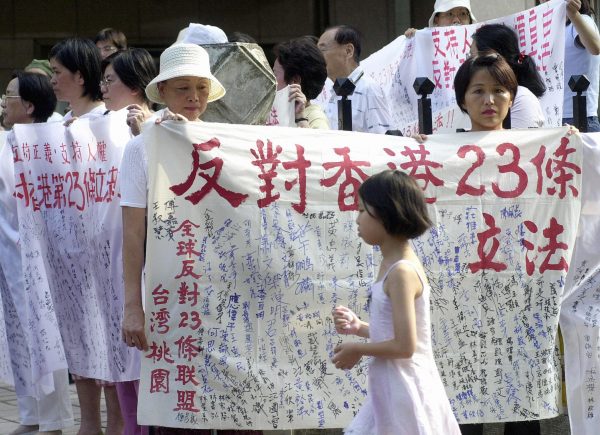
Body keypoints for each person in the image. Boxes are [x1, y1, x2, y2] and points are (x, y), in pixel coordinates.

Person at [331, 169, 459, 435]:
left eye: (362, 210)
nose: (357, 219)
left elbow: (405, 346)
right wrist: (360, 327)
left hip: (406, 389)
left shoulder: (401, 271)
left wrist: (357, 348)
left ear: (386, 213)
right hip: (392, 386)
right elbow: (395, 332)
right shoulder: (391, 266)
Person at [49, 38, 125, 435]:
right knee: (78, 337)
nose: (53, 80)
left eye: (57, 72)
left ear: (80, 76)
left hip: (106, 251)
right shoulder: (56, 127)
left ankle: (115, 425)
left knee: (109, 339)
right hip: (67, 252)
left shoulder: (111, 123)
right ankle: (88, 424)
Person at [0, 71, 74, 435]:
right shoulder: (6, 140)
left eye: (10, 94)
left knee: (44, 335)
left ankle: (54, 418)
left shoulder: (49, 143)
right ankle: (30, 414)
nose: (3, 100)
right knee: (17, 335)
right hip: (8, 256)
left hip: (38, 258)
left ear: (28, 106)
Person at [100, 47, 157, 435]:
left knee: (143, 364)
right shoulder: (93, 127)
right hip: (112, 259)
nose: (103, 87)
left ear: (137, 87)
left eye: (110, 80)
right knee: (122, 360)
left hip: (145, 262)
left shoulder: (149, 132)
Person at [316, 25, 392, 133]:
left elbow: (383, 138)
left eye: (322, 49)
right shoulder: (332, 90)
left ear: (348, 51)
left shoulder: (368, 89)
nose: (318, 56)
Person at [471, 23, 546, 128]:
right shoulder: (471, 96)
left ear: (492, 57)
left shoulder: (522, 98)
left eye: (472, 56)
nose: (468, 63)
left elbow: (520, 143)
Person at [540, 0, 600, 131]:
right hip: (550, 117)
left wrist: (573, 14)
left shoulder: (581, 21)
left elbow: (595, 47)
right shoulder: (546, 30)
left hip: (579, 117)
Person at [273, 36, 329, 129]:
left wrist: (301, 119)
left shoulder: (317, 120)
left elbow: (316, 143)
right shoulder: (280, 112)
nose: (271, 80)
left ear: (295, 81)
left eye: (275, 74)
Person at [101, 48, 157, 136]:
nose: (103, 89)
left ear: (134, 87)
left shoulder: (162, 125)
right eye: (103, 81)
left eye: (109, 80)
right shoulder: (101, 124)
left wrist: (140, 134)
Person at [404, 0, 476, 38]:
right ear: (436, 20)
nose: (456, 20)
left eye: (462, 14)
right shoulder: (426, 47)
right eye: (450, 14)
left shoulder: (479, 48)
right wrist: (414, 41)